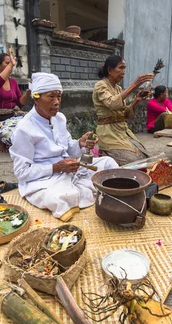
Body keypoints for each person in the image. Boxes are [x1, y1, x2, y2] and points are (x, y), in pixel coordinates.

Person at [10, 73, 119, 222]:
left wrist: (80, 143)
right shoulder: (24, 129)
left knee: (109, 164)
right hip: (45, 178)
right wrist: (56, 167)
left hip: (69, 169)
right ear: (36, 98)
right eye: (51, 96)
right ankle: (91, 195)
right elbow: (22, 172)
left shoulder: (59, 118)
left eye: (59, 96)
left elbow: (69, 149)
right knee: (60, 197)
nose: (57, 102)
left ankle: (96, 192)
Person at [92, 55, 154, 166]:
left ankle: (110, 157)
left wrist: (136, 100)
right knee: (135, 162)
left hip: (122, 131)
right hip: (108, 133)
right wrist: (134, 85)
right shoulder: (100, 85)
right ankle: (106, 156)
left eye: (124, 68)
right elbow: (112, 104)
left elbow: (125, 114)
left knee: (144, 156)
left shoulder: (118, 88)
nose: (123, 71)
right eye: (121, 67)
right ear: (110, 70)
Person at [0, 51, 31, 151]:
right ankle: (2, 140)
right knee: (15, 136)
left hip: (13, 117)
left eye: (10, 63)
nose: (10, 65)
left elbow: (19, 103)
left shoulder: (13, 82)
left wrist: (28, 93)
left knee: (32, 126)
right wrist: (11, 65)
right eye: (7, 63)